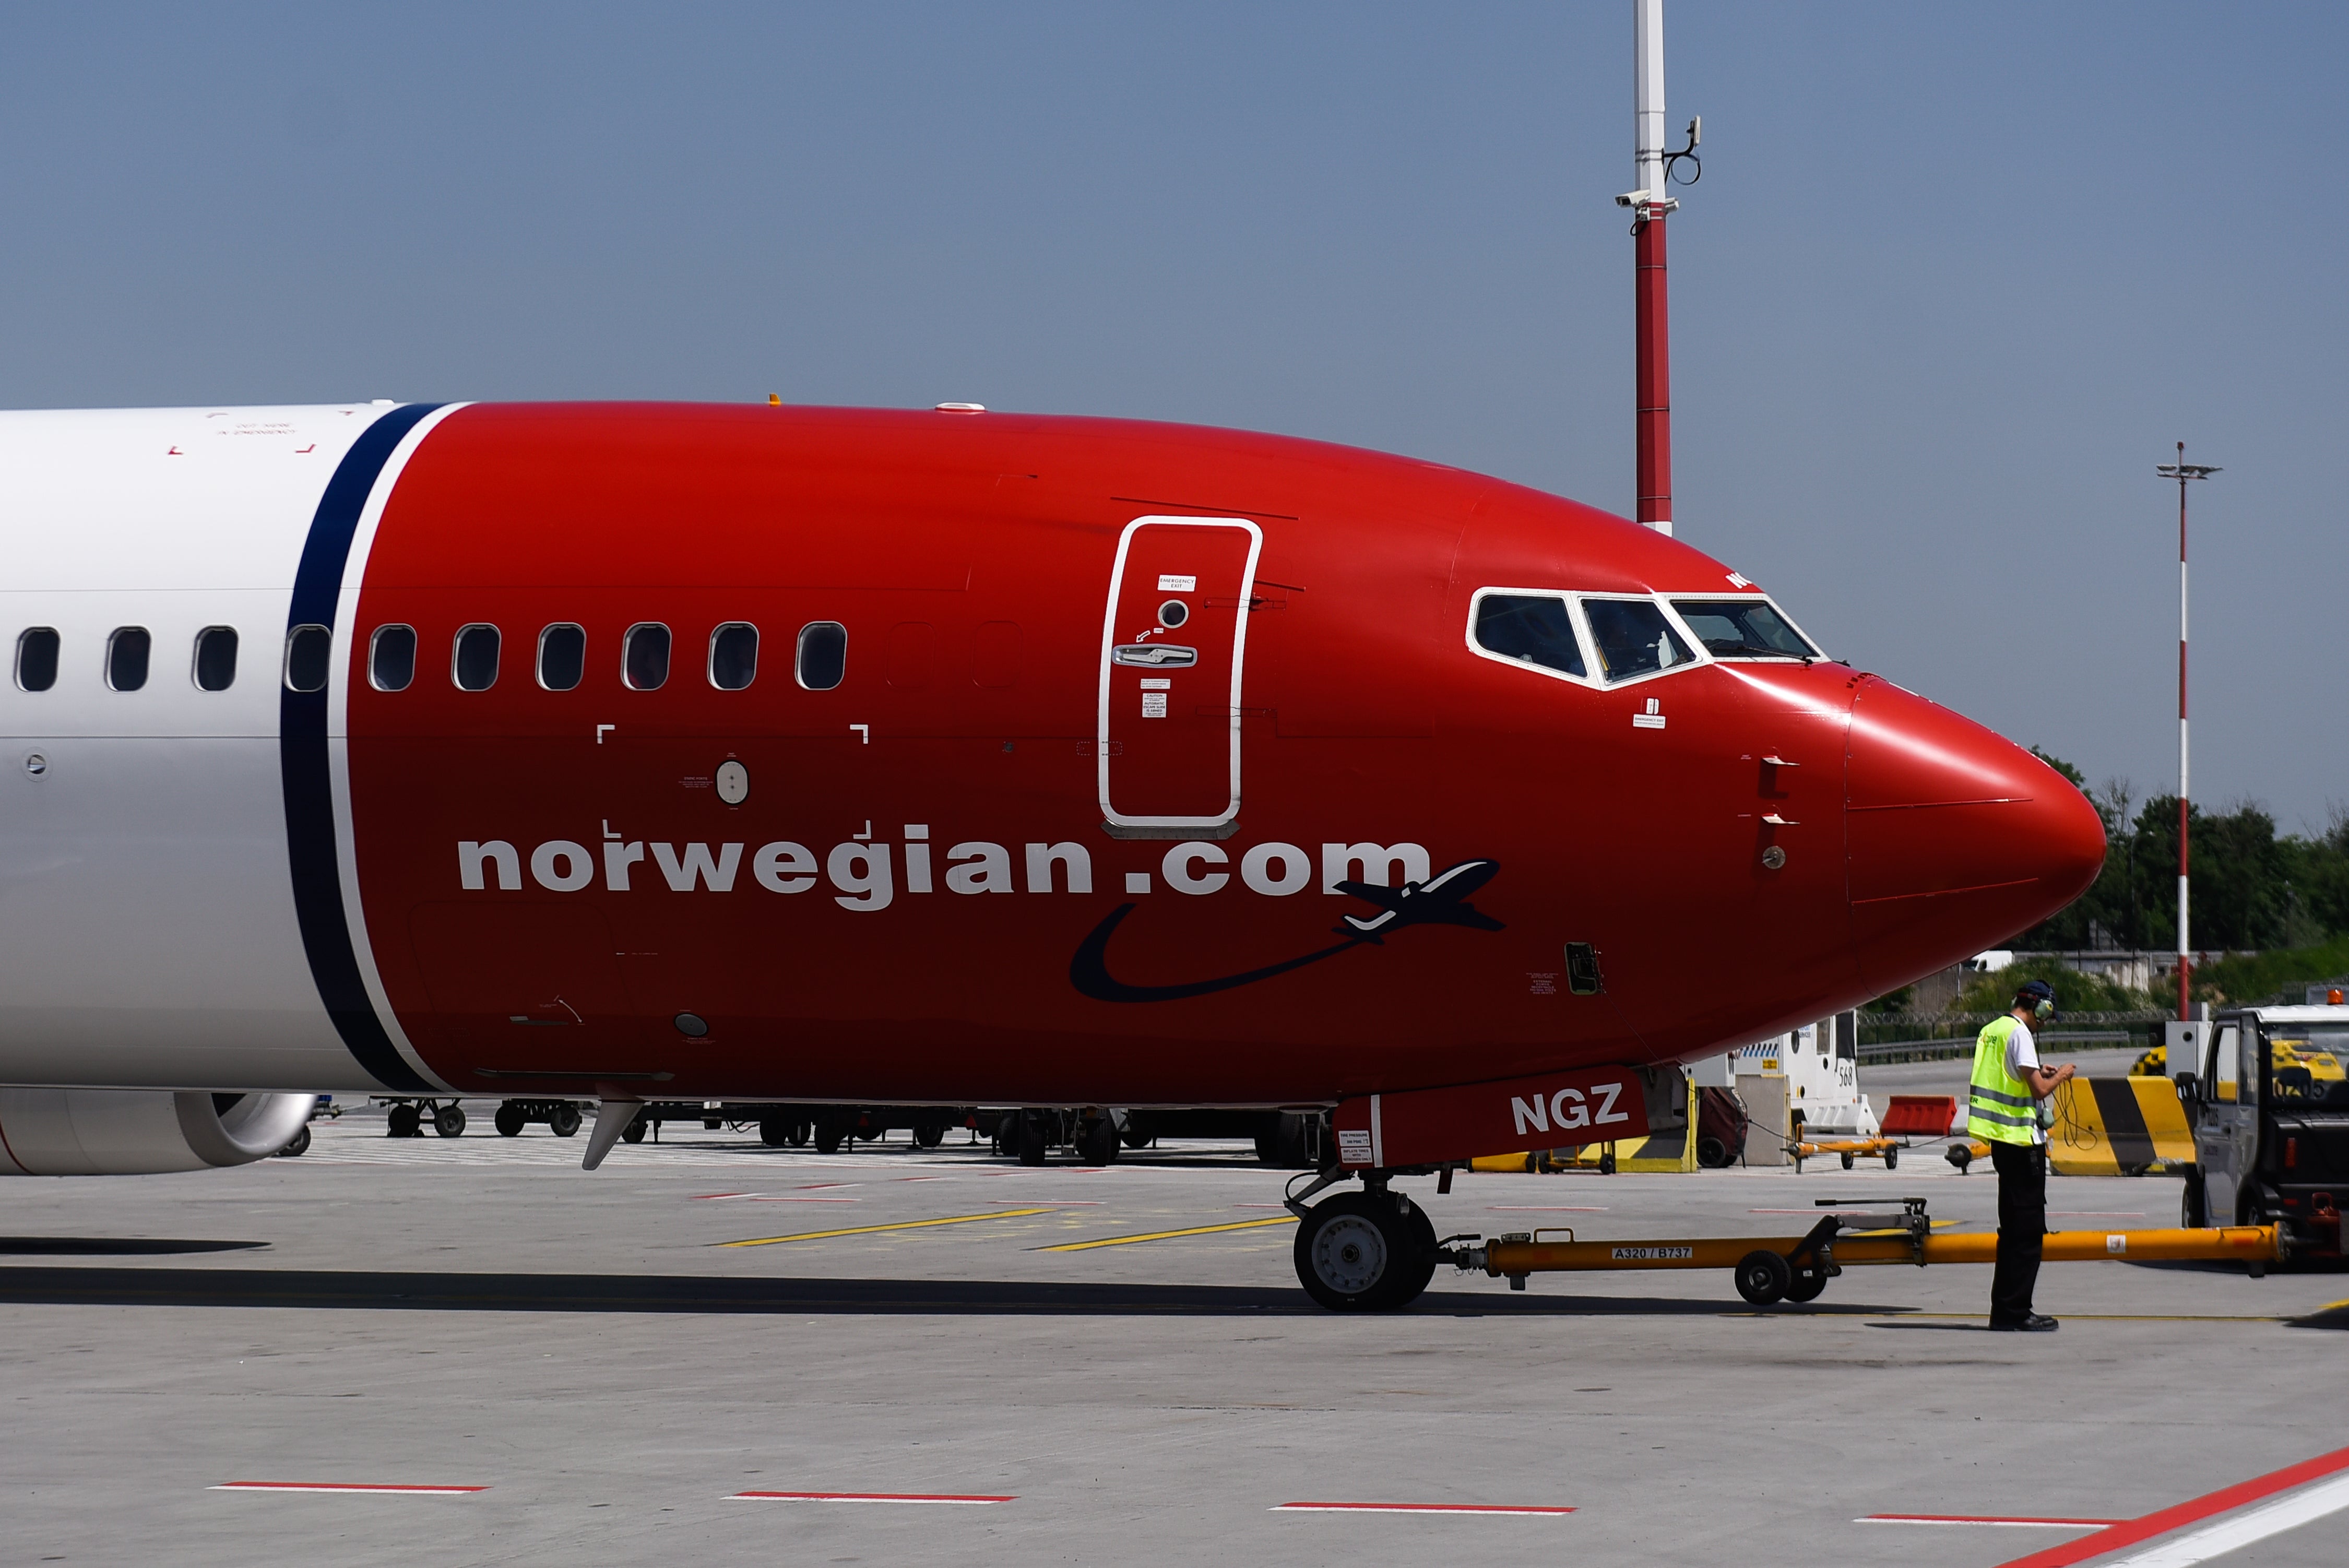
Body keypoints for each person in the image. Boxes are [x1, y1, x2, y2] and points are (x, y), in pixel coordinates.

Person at [1965, 978, 2076, 1331]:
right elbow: (2040, 1089)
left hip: (2002, 1142)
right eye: (2047, 1014)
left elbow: (2008, 1076)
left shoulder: (1992, 1030)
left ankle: (2006, 1310)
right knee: (2027, 1234)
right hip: (2022, 1144)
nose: (2045, 1022)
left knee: (2011, 1231)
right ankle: (2015, 1313)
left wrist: (2036, 1071)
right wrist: (2060, 1075)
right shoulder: (2021, 1034)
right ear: (2040, 1007)